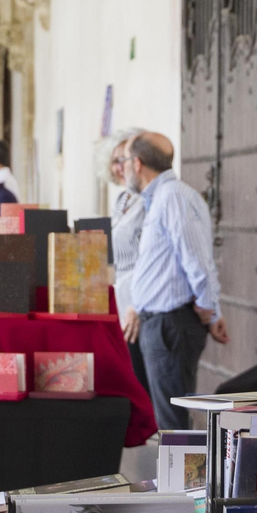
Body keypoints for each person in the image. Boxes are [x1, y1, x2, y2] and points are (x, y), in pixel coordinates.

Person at [126, 131, 228, 429]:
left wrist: (210, 310)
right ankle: (177, 475)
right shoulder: (164, 197)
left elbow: (197, 262)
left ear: (137, 163)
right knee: (167, 422)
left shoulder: (173, 198)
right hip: (162, 323)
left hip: (171, 325)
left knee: (174, 426)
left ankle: (184, 477)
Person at [108, 129, 151, 393]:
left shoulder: (146, 200)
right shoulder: (121, 199)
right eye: (115, 161)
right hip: (119, 294)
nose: (118, 167)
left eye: (123, 159)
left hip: (139, 293)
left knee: (141, 374)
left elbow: (148, 256)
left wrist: (136, 304)